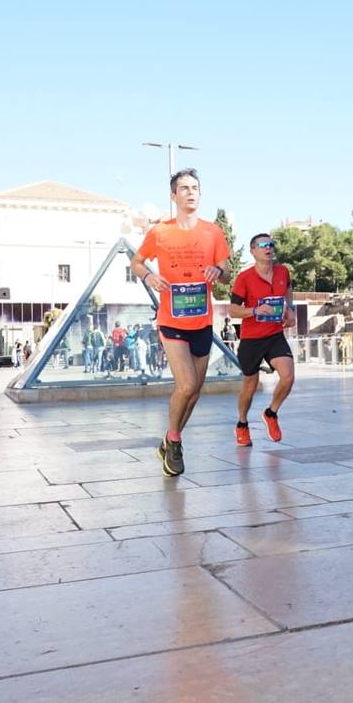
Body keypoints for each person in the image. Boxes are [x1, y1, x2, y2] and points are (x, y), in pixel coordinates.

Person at [130, 168, 230, 477]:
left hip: (202, 321)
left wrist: (217, 271)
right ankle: (173, 440)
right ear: (173, 196)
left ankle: (171, 438)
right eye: (184, 188)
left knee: (195, 390)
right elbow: (136, 261)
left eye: (195, 187)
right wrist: (148, 275)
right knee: (185, 384)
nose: (190, 192)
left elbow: (226, 268)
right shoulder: (160, 232)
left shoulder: (213, 232)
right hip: (171, 321)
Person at [228, 233, 297, 446]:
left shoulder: (283, 271)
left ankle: (271, 413)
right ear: (253, 251)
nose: (268, 248)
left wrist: (290, 310)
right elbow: (233, 310)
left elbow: (288, 290)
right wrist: (256, 310)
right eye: (263, 245)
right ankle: (242, 424)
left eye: (271, 244)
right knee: (250, 385)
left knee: (288, 376)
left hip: (275, 335)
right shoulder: (244, 278)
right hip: (251, 338)